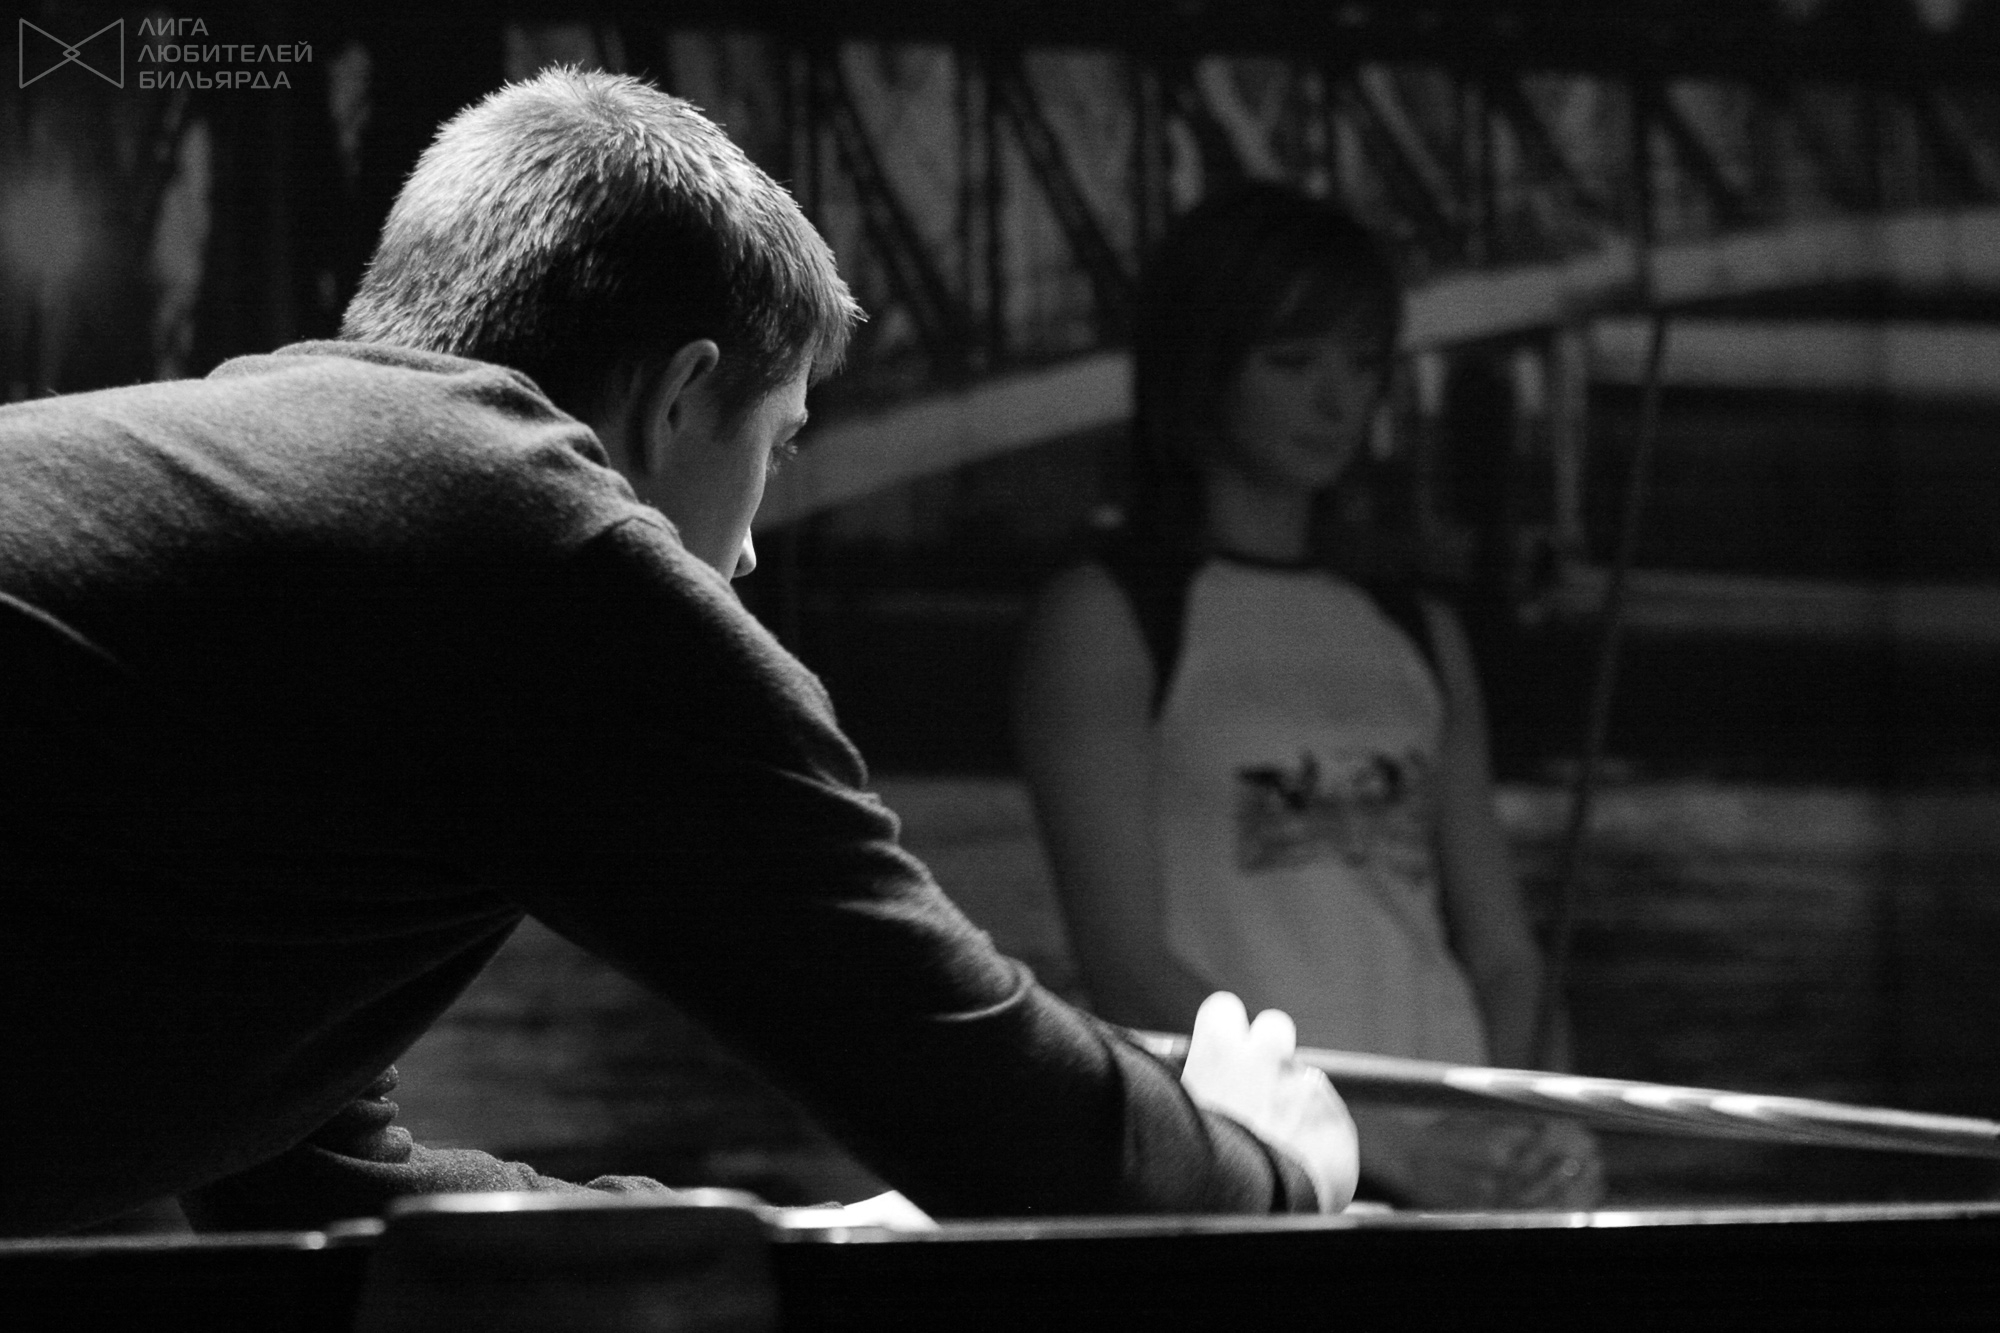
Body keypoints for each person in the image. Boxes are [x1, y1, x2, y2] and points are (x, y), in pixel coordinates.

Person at [0, 71, 1355, 1237]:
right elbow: (973, 1094)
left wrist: (810, 1233)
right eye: (778, 445)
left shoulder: (297, 526)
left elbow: (312, 1177)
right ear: (682, 395)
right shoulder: (525, 539)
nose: (750, 551)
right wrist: (1263, 1167)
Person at [1013, 184, 1604, 1210]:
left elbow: (1505, 954)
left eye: (1362, 364)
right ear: (1204, 368)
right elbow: (1127, 967)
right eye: (1293, 362)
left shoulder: (1417, 628)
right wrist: (1372, 1144)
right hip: (1261, 1183)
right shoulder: (1106, 616)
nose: (1338, 401)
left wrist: (1540, 1121)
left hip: (1461, 1170)